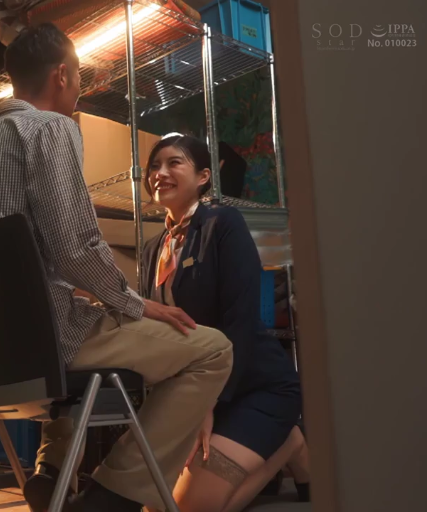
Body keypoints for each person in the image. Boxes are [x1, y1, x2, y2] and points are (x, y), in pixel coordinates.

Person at [0, 23, 233, 512]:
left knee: (82, 314)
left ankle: (52, 471)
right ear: (62, 76)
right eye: (79, 77)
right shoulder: (51, 128)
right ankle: (112, 498)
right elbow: (75, 247)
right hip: (47, 342)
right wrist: (134, 303)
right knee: (213, 350)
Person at [140, 135, 311, 512]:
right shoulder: (154, 248)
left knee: (188, 509)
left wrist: (209, 402)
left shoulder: (222, 223)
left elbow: (242, 319)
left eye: (173, 163)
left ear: (203, 177)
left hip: (253, 386)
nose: (159, 173)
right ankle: (290, 442)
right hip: (196, 394)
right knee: (154, 506)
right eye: (154, 166)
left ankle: (286, 441)